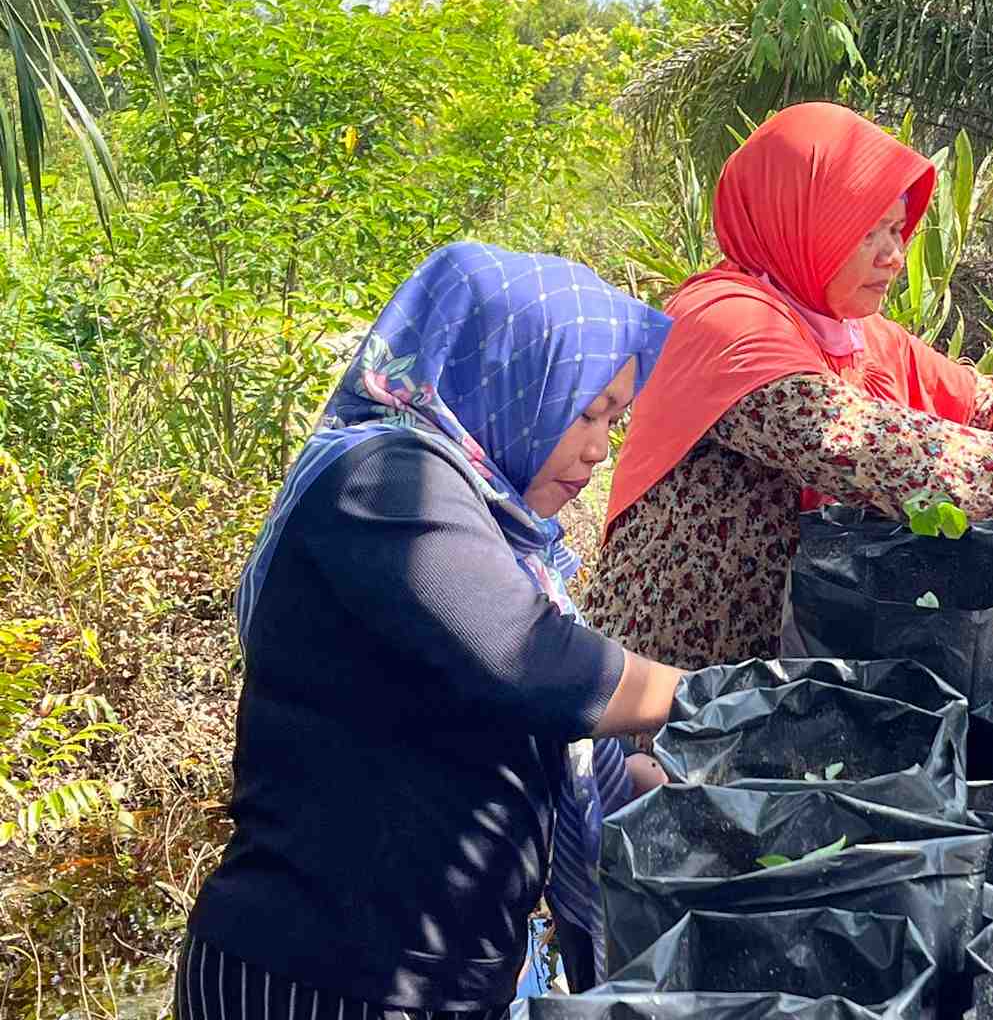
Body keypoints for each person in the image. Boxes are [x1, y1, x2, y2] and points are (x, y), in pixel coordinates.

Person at [176, 242, 682, 1018]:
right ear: (512, 378)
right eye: (586, 412)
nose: (597, 448)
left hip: (436, 972)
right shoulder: (384, 478)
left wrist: (683, 793)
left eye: (614, 417)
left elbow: (532, 742)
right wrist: (722, 701)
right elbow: (532, 664)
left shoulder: (489, 518)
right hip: (324, 980)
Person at [586, 103, 993, 669]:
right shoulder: (723, 321)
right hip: (681, 688)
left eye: (897, 230)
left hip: (790, 671)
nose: (894, 257)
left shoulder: (850, 330)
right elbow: (861, 447)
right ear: (796, 221)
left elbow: (971, 395)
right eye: (866, 231)